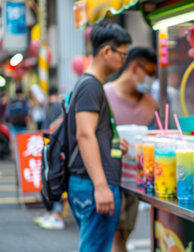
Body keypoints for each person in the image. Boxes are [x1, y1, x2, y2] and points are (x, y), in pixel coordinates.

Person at [66, 22, 131, 252]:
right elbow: (84, 135)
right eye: (122, 54)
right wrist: (101, 186)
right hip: (93, 186)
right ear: (106, 52)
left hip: (89, 184)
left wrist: (113, 144)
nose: (124, 61)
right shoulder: (91, 86)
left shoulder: (89, 85)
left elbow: (91, 133)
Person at [104, 47, 158, 252]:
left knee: (124, 234)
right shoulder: (104, 96)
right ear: (136, 67)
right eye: (150, 73)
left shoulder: (150, 104)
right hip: (110, 179)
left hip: (137, 182)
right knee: (115, 235)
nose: (151, 80)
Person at [34, 86, 66, 230]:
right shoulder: (61, 105)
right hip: (57, 149)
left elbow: (52, 127)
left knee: (55, 181)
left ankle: (56, 215)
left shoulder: (56, 106)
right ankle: (54, 213)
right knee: (54, 181)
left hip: (56, 150)